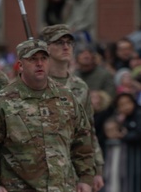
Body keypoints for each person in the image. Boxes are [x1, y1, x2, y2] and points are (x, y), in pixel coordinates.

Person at [0, 39, 95, 192]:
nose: (39, 63)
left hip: (63, 187)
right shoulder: (3, 101)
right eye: (33, 59)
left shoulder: (66, 97)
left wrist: (86, 178)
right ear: (20, 65)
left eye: (44, 58)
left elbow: (82, 138)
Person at [40, 24, 105, 192]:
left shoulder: (80, 87)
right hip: (38, 168)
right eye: (59, 42)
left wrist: (96, 169)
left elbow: (88, 130)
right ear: (47, 47)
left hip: (71, 167)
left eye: (69, 42)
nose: (66, 47)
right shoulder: (37, 84)